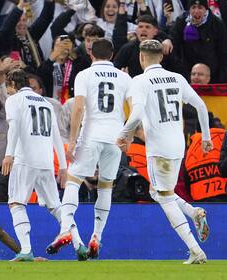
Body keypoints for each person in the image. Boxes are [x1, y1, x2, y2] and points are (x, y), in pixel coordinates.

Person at [116, 39, 213, 264]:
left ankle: (195, 249)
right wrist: (206, 137)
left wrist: (124, 134)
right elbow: (200, 105)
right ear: (161, 57)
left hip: (158, 147)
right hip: (178, 144)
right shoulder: (177, 78)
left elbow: (137, 113)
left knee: (165, 197)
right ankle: (193, 212)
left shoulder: (139, 81)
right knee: (156, 192)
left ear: (141, 58)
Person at [46, 39, 132, 261]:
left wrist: (73, 140)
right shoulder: (124, 78)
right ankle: (97, 235)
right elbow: (136, 109)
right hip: (115, 138)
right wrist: (128, 135)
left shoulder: (84, 75)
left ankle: (66, 229)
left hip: (91, 136)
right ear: (112, 55)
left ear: (91, 54)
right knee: (105, 188)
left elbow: (79, 108)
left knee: (73, 182)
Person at [1, 69, 67, 261]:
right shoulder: (45, 102)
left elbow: (14, 127)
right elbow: (56, 136)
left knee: (16, 203)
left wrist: (9, 155)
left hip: (24, 159)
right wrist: (62, 166)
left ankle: (26, 250)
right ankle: (78, 242)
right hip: (46, 161)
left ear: (12, 84)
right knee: (55, 206)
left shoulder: (15, 100)